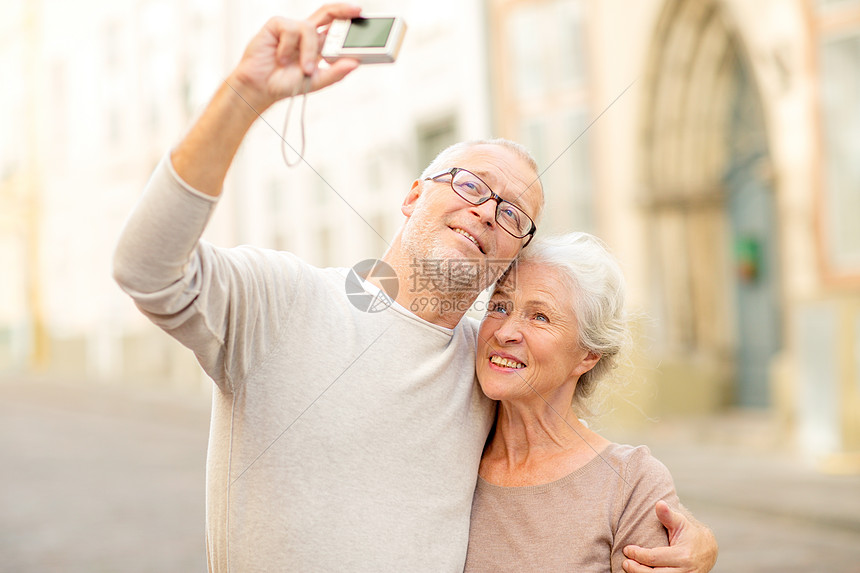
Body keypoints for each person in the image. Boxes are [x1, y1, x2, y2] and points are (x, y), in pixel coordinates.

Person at [113, 4, 717, 571]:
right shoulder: (283, 301)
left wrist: (687, 537)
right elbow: (145, 268)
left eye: (512, 214)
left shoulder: (487, 368)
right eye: (471, 186)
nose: (487, 212)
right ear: (411, 196)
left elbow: (565, 468)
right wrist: (243, 96)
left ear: (515, 253)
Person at [464, 233, 715, 572]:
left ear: (587, 356)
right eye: (499, 306)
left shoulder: (630, 482)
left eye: (540, 317)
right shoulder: (450, 445)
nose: (505, 331)